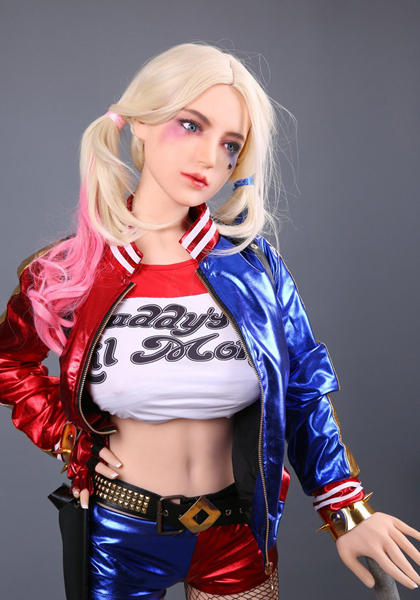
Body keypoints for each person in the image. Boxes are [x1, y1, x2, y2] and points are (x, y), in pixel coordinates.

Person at [1, 42, 419, 600]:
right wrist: (66, 436)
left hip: (237, 534)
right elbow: (9, 362)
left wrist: (347, 511)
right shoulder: (67, 272)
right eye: (191, 125)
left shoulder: (256, 268)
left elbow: (302, 389)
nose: (209, 158)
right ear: (140, 123)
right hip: (120, 534)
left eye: (230, 144)